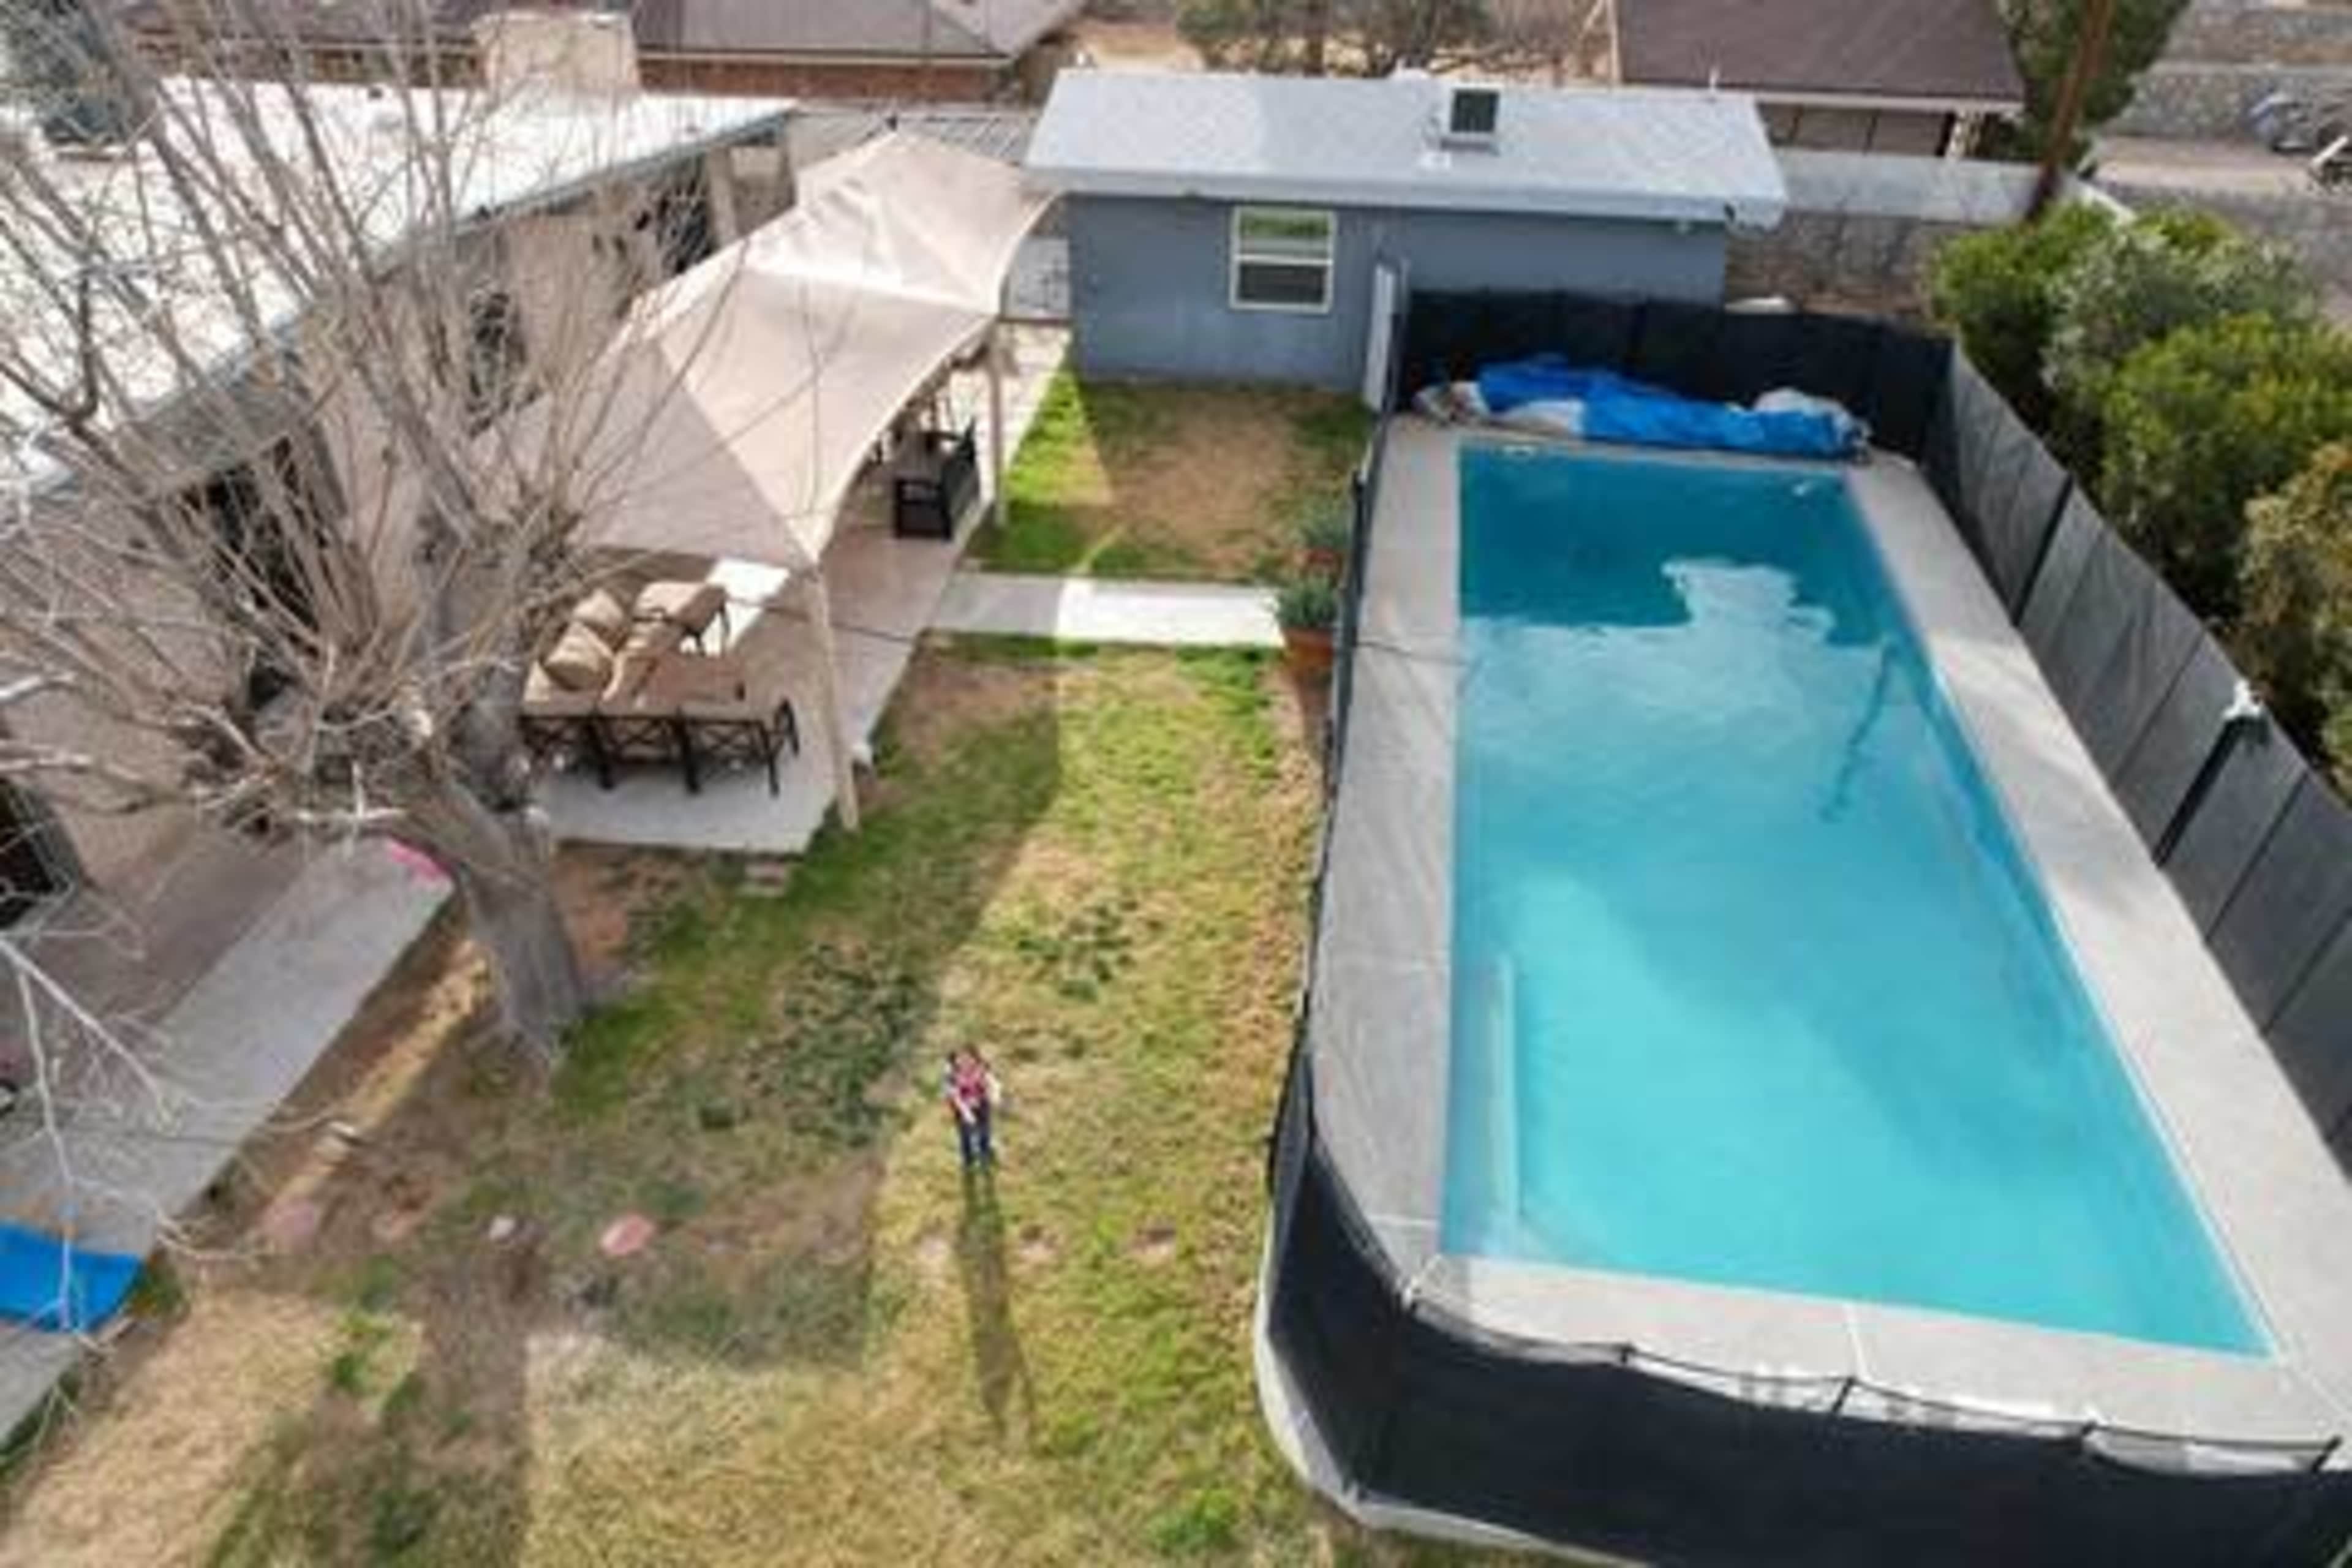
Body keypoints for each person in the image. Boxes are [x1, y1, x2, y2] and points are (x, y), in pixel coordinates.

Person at [943, 1047, 1000, 1171]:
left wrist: (995, 1095)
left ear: (975, 1059)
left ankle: (985, 1153)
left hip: (982, 1105)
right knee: (965, 1136)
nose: (966, 1062)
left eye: (969, 1059)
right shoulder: (953, 1076)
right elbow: (956, 1097)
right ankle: (968, 1159)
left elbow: (993, 1082)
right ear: (956, 1061)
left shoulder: (982, 1070)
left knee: (984, 1132)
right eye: (962, 1059)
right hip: (962, 1109)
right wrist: (966, 1112)